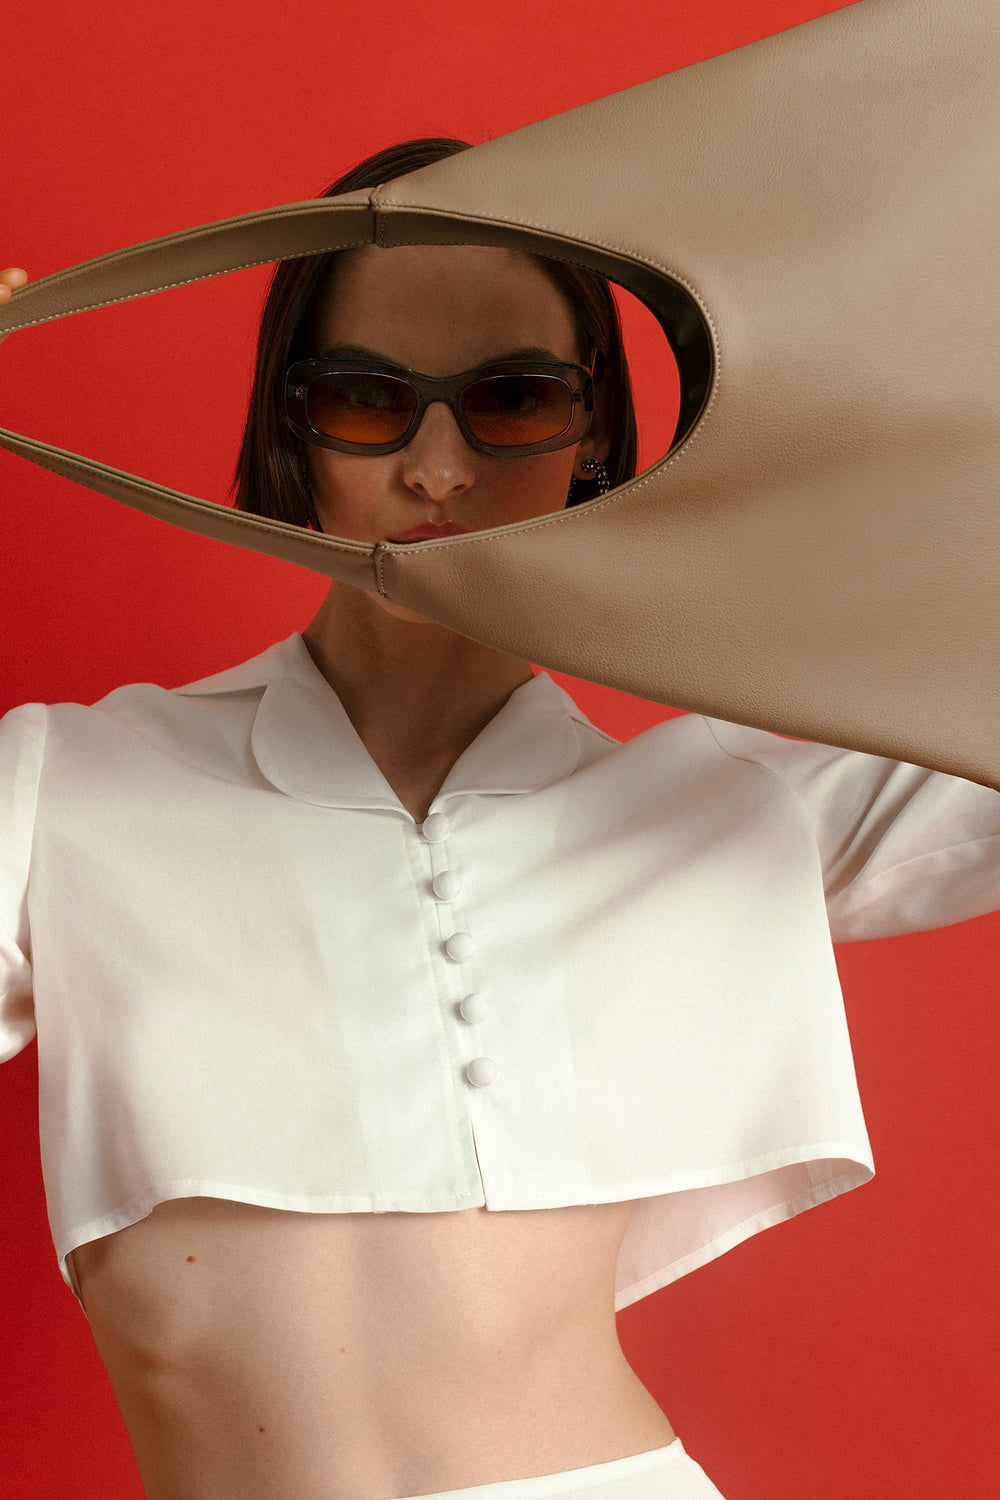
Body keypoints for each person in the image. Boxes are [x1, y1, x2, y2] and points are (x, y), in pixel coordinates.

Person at [1, 138, 998, 1500]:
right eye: (365, 400)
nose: (436, 469)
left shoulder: (720, 802)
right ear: (291, 422)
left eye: (512, 398)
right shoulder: (73, 785)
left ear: (595, 434)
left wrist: (785, 485)